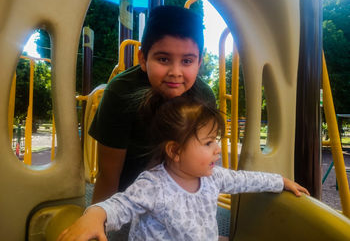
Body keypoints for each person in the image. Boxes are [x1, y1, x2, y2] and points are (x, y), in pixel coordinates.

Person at [58, 95, 309, 241]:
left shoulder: (212, 177)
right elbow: (120, 205)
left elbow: (245, 180)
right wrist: (94, 216)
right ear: (175, 151)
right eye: (209, 142)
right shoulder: (153, 185)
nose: (218, 149)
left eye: (217, 141)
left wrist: (280, 181)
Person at [88, 5, 216, 204]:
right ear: (143, 59)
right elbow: (108, 176)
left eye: (187, 61)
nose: (175, 72)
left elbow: (203, 169)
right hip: (129, 200)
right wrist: (97, 223)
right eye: (163, 59)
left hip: (180, 199)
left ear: (199, 62)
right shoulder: (121, 93)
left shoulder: (203, 97)